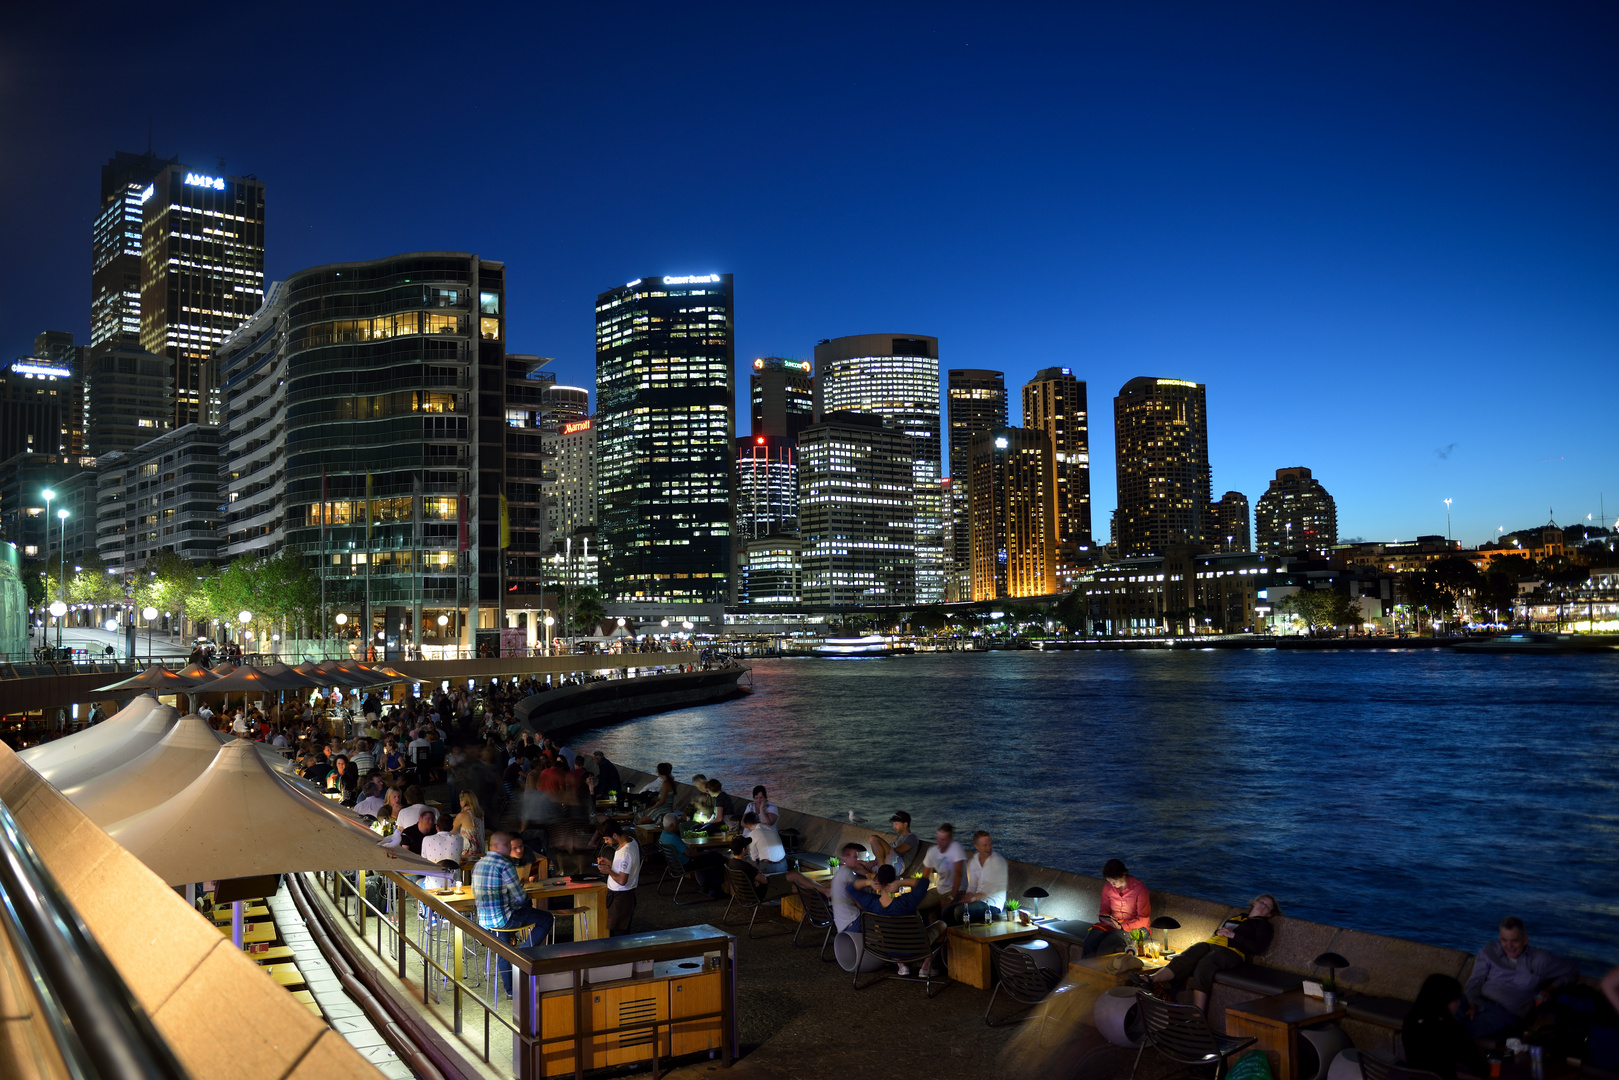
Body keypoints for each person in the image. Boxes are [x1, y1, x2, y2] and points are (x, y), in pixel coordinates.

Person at [1144, 894, 1280, 1013]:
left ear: (1269, 914)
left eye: (1267, 906)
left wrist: (1234, 936)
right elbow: (1221, 930)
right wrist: (1218, 932)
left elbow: (1258, 948)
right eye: (1262, 902)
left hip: (1233, 951)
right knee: (1187, 955)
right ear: (1254, 902)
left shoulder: (1263, 925)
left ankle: (1197, 1014)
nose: (1263, 906)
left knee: (1205, 965)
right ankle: (1151, 980)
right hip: (1211, 943)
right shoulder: (1239, 917)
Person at [1462, 916, 1581, 1038]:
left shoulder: (1541, 959)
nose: (1509, 945)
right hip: (1476, 1003)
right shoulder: (1490, 951)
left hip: (1505, 1013)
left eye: (1514, 941)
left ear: (1525, 939)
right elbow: (1475, 982)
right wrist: (1472, 1003)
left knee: (1460, 1030)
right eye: (1504, 940)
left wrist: (1551, 988)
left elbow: (1573, 971)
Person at [474, 833, 553, 993]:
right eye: (507, 845)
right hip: (505, 918)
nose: (510, 849)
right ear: (496, 846)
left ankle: (511, 991)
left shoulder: (479, 864)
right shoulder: (504, 865)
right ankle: (523, 953)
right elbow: (520, 896)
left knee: (504, 950)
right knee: (546, 918)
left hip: (485, 920)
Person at [846, 864, 943, 977]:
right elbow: (924, 883)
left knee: (881, 929)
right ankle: (926, 967)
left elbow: (850, 888)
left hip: (889, 949)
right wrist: (901, 883)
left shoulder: (871, 903)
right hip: (918, 947)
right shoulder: (907, 901)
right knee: (941, 925)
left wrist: (869, 882)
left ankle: (902, 966)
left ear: (878, 881)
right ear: (894, 880)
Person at [1403, 974, 1490, 1080]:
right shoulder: (1450, 1029)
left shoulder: (1410, 1019)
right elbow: (1481, 1068)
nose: (1458, 1004)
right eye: (1455, 999)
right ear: (1444, 1001)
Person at [1085, 858, 1153, 957]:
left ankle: (1101, 970)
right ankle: (1083, 969)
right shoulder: (1108, 887)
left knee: (1108, 943)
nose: (1112, 884)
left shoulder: (1139, 888)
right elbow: (1104, 910)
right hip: (1114, 924)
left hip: (1136, 927)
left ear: (1124, 874)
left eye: (1115, 880)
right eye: (1109, 880)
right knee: (1090, 940)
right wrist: (1107, 919)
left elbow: (1144, 919)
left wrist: (1122, 926)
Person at [658, 813, 723, 898]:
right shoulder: (673, 838)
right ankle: (715, 889)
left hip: (675, 864)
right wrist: (703, 853)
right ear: (672, 825)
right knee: (717, 858)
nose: (679, 825)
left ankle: (705, 886)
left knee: (707, 857)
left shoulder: (663, 836)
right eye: (677, 823)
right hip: (685, 865)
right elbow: (690, 854)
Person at [596, 822, 641, 935]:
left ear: (615, 835)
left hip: (621, 898)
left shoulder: (625, 852)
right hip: (622, 896)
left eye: (607, 839)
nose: (606, 842)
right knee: (618, 930)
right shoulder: (631, 840)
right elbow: (623, 867)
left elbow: (622, 880)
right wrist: (609, 864)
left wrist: (608, 870)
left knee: (619, 933)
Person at [725, 836, 796, 903]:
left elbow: (752, 877)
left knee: (790, 878)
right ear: (744, 850)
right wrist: (758, 878)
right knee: (794, 886)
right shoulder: (746, 866)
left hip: (746, 894)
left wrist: (754, 879)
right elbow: (764, 881)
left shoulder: (732, 863)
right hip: (761, 893)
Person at [919, 823, 967, 917]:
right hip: (939, 890)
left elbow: (958, 874)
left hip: (957, 890)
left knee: (947, 911)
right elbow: (925, 875)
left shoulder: (956, 848)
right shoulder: (932, 851)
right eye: (938, 839)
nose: (939, 842)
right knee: (915, 904)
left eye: (943, 840)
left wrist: (951, 897)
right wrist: (917, 893)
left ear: (950, 840)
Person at [961, 829, 1009, 919]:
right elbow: (972, 885)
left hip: (993, 904)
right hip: (977, 901)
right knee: (947, 911)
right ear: (976, 846)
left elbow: (995, 887)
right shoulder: (973, 861)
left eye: (990, 844)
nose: (988, 848)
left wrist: (975, 898)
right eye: (985, 845)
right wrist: (969, 894)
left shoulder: (998, 862)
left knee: (959, 912)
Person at [452, 790, 485, 856]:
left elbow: (450, 830)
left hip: (468, 853)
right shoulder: (480, 813)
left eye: (460, 800)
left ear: (463, 801)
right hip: (481, 850)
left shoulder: (462, 815)